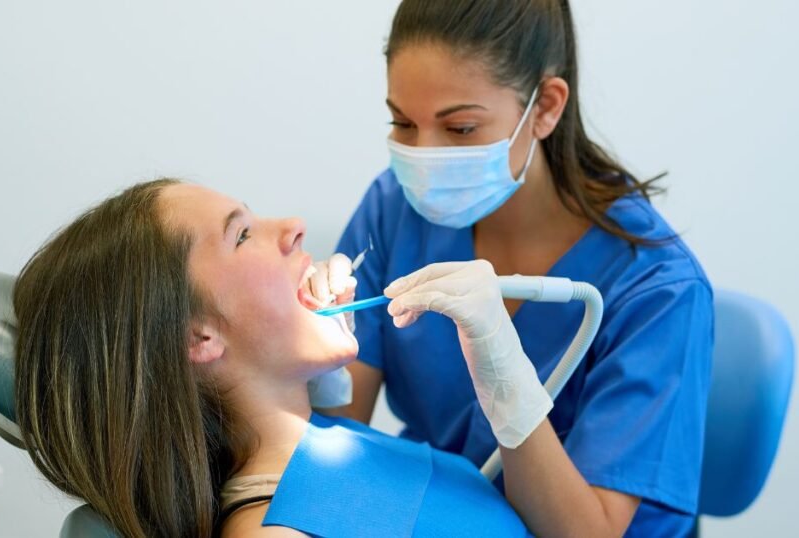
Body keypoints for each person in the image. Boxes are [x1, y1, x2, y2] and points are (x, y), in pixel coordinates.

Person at [304, 0, 714, 535]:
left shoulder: (657, 290)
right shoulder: (393, 209)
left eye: (461, 129)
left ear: (544, 107)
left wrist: (508, 381)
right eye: (402, 122)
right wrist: (317, 367)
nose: (422, 156)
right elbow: (329, 444)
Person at [11, 179, 532, 537]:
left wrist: (320, 389)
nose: (293, 227)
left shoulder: (331, 448)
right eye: (242, 235)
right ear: (198, 336)